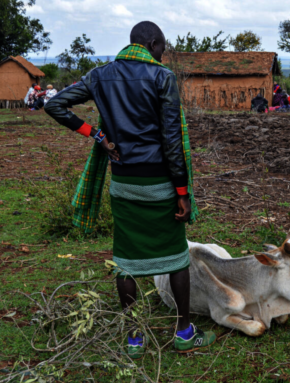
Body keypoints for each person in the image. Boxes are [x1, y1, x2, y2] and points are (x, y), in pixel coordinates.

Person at [45, 21, 216, 356]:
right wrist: (182, 193)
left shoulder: (100, 75)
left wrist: (97, 135)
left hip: (122, 181)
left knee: (125, 260)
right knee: (177, 257)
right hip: (160, 182)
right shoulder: (162, 77)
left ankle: (134, 337)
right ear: (152, 44)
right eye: (161, 48)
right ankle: (183, 333)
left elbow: (54, 105)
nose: (161, 55)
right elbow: (172, 140)